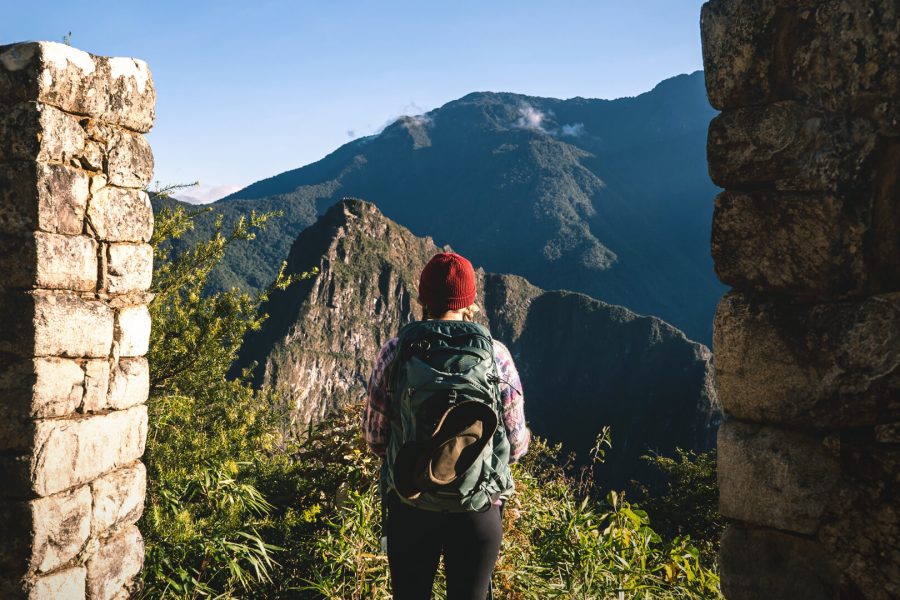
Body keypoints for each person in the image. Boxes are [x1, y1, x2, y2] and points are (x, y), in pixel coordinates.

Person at [362, 252, 530, 600]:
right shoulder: (496, 356)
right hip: (477, 507)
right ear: (470, 301)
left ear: (423, 298)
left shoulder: (395, 353)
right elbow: (516, 445)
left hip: (411, 503)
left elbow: (375, 438)